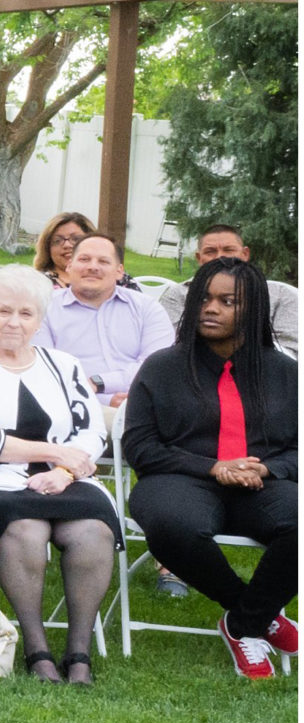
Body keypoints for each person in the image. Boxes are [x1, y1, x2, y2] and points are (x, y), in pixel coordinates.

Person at [0, 266, 118, 684]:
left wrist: (66, 471)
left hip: (65, 479)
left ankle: (79, 653)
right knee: (27, 529)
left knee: (92, 531)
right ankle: (38, 651)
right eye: (4, 311)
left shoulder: (64, 365)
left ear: (40, 319)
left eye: (26, 314)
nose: (14, 322)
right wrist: (52, 452)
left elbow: (92, 432)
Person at [121, 258, 299, 680]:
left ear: (253, 308)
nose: (210, 308)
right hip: (179, 480)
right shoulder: (163, 367)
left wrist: (268, 470)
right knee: (171, 525)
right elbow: (140, 446)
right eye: (204, 298)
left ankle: (243, 624)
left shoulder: (287, 373)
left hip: (261, 483)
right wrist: (214, 466)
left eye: (227, 301)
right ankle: (256, 614)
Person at [37, 232, 171, 405]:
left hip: (144, 405)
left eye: (103, 261)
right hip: (71, 406)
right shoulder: (44, 308)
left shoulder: (147, 308)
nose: (93, 267)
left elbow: (156, 368)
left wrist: (99, 383)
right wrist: (105, 400)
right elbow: (44, 371)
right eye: (84, 259)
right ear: (69, 266)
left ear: (119, 272)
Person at [157, 222, 301, 354]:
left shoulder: (281, 295)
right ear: (199, 258)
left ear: (245, 254)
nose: (220, 257)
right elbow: (168, 345)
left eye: (228, 250)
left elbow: (293, 352)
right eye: (210, 251)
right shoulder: (177, 295)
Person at [33, 210, 92, 283]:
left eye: (76, 239)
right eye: (57, 240)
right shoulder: (37, 282)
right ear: (47, 247)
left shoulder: (104, 280)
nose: (67, 245)